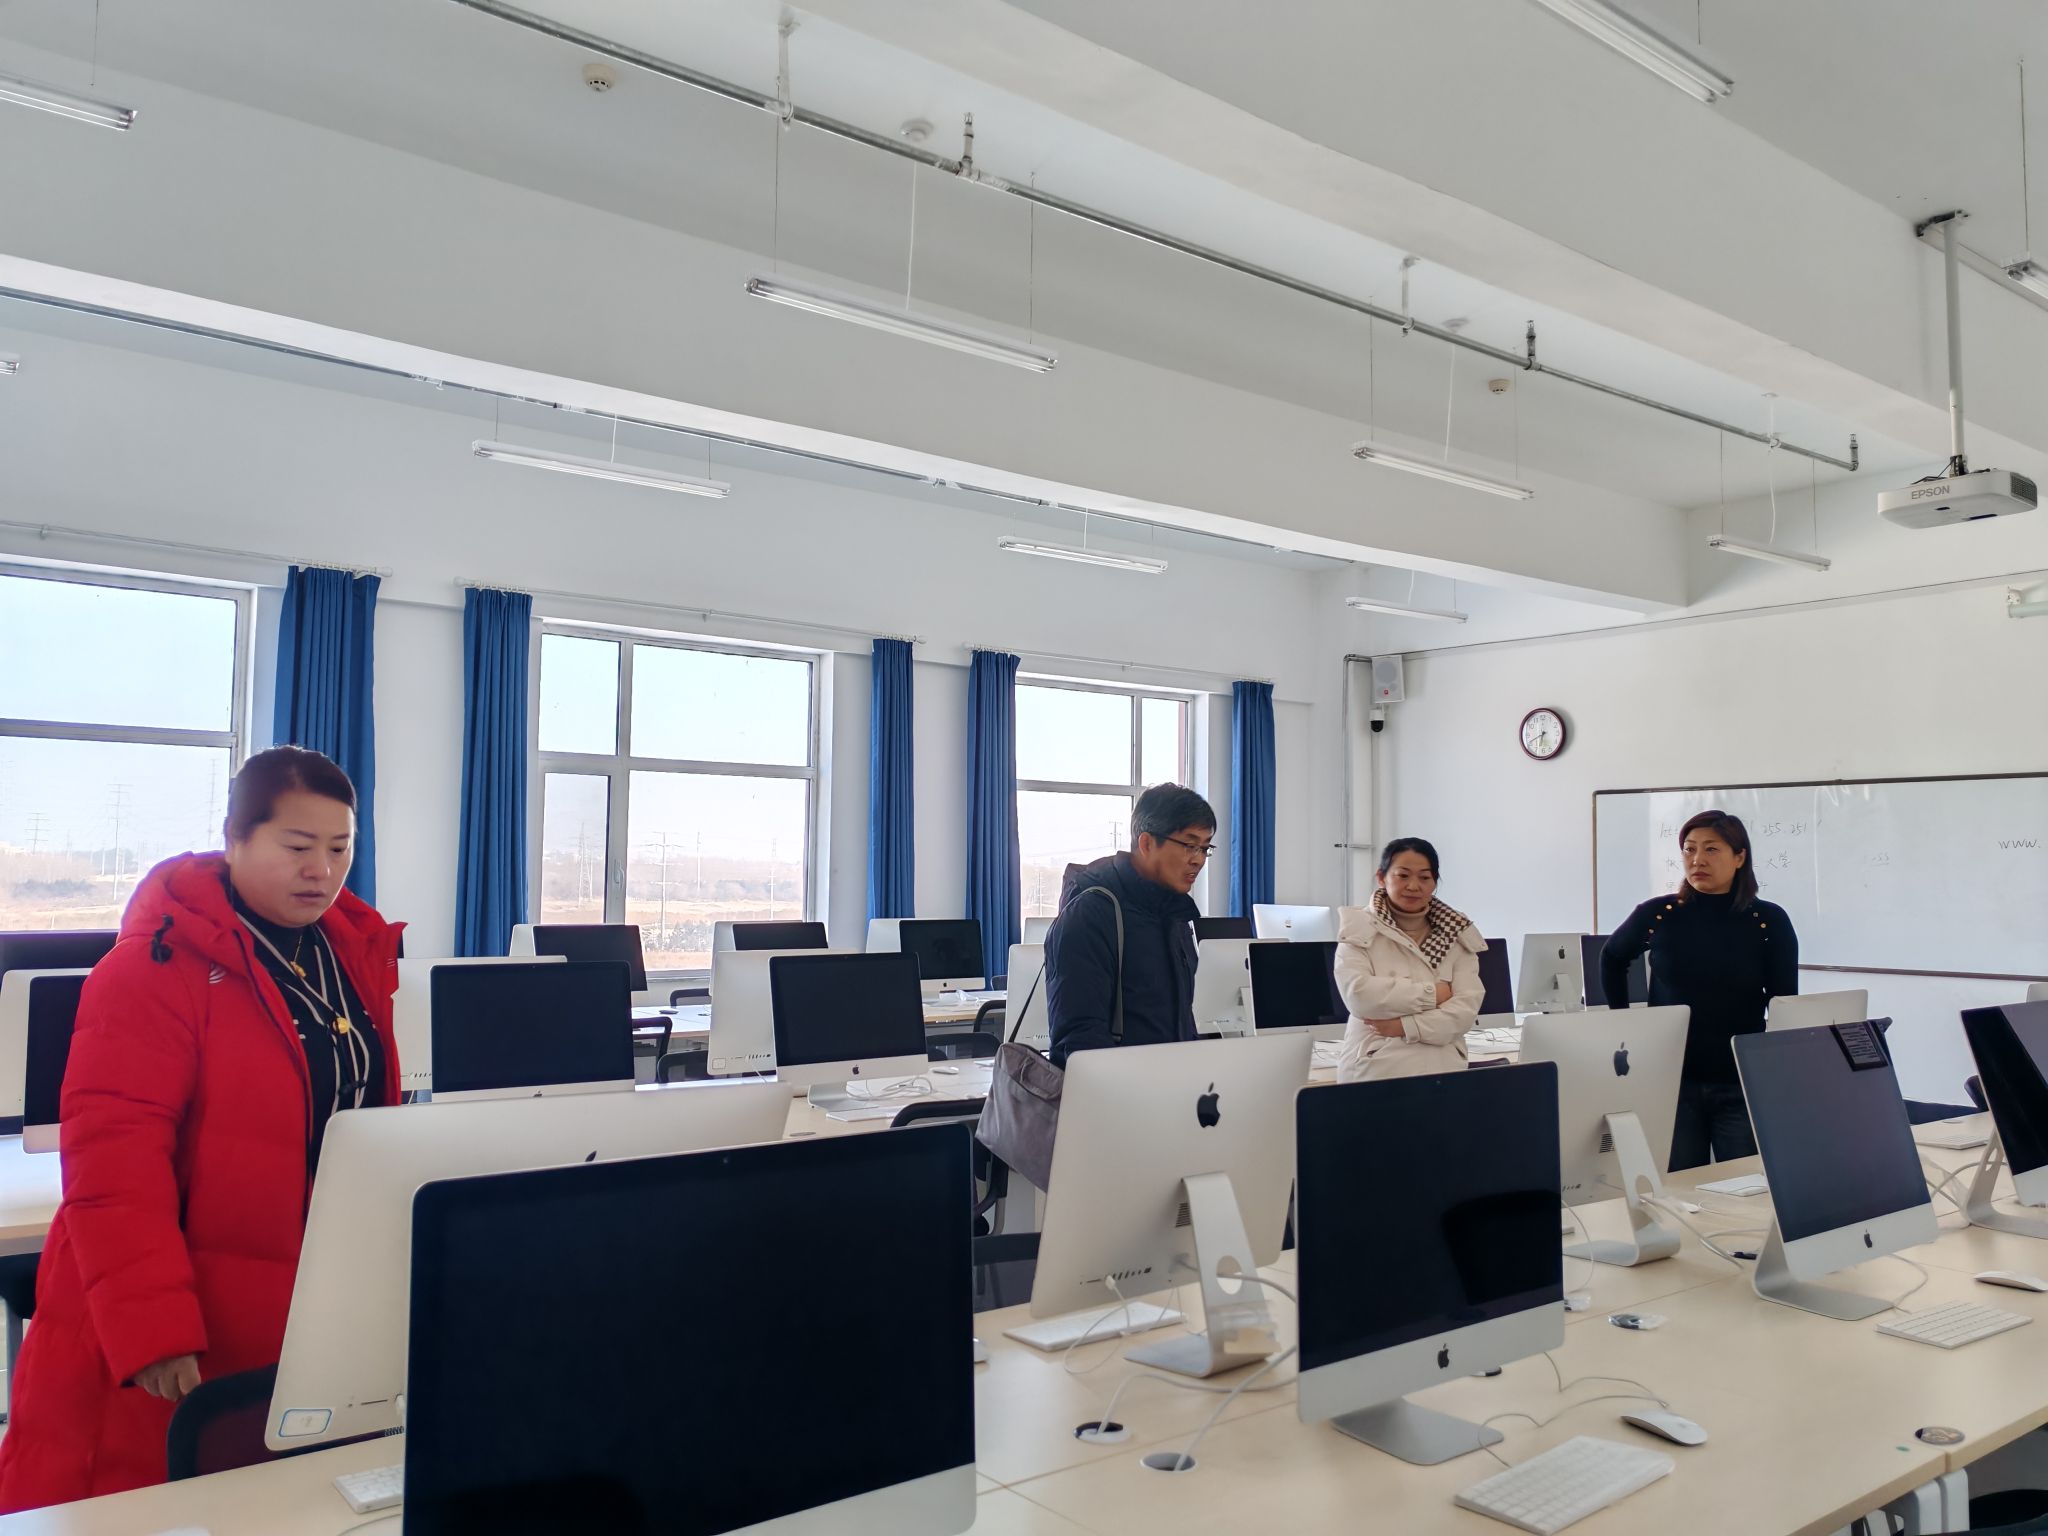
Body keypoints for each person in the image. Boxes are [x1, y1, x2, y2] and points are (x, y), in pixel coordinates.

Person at [0, 747, 404, 1511]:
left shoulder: (351, 956)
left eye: (340, 848)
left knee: (278, 1506)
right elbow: (114, 1165)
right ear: (234, 838)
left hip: (301, 1296)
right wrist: (152, 1326)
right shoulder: (152, 969)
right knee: (144, 1506)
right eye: (297, 846)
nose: (321, 870)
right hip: (179, 1310)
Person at [1602, 809, 1797, 1170]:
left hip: (1740, 1081)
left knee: (1743, 1184)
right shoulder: (1659, 914)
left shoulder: (1767, 920)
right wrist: (1623, 1023)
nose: (1697, 860)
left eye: (1711, 849)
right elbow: (1612, 958)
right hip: (1672, 1079)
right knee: (1677, 1185)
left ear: (1739, 857)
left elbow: (1784, 1001)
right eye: (1689, 849)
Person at [1044, 784, 1214, 1067]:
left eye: (1205, 848)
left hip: (1173, 1086)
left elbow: (1180, 1019)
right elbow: (1079, 1039)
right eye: (1189, 845)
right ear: (1147, 844)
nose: (1198, 859)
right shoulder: (1090, 914)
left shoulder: (1174, 914)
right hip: (1119, 1091)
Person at [1333, 838, 1488, 1081]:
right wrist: (1433, 995)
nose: (1414, 886)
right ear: (1382, 877)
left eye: (1424, 877)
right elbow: (1359, 997)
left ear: (1434, 882)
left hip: (1444, 1069)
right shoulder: (1358, 929)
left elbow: (1466, 1010)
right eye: (1403, 875)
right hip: (1375, 1069)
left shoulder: (1456, 933)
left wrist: (1404, 1026)